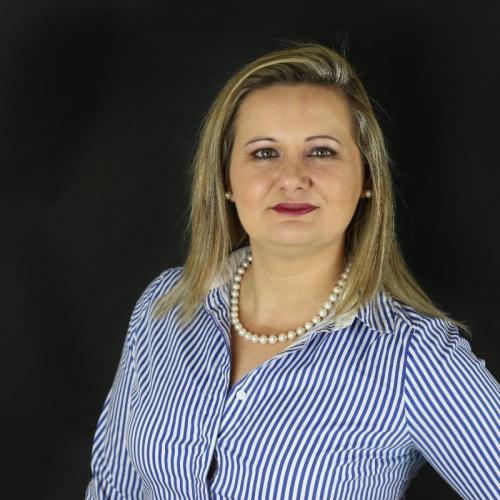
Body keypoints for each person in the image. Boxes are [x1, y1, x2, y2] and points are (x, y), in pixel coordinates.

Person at [85, 41, 499, 499]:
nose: (292, 178)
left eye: (321, 151)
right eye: (264, 153)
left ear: (366, 178)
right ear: (225, 179)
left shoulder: (415, 357)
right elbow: (112, 487)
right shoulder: (166, 306)